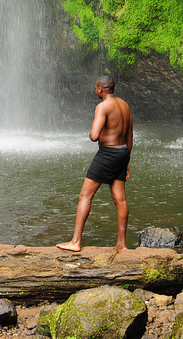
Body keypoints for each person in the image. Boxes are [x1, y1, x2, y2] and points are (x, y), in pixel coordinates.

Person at [56, 75, 133, 252]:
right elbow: (130, 136)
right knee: (120, 199)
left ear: (100, 89)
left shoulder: (103, 106)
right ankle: (121, 244)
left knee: (85, 196)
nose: (95, 91)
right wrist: (126, 160)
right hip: (122, 152)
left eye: (96, 88)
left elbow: (94, 136)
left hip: (108, 153)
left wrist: (94, 128)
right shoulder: (125, 105)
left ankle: (75, 242)